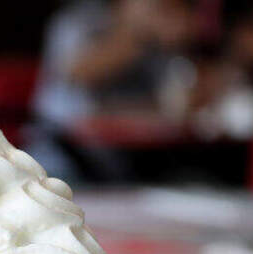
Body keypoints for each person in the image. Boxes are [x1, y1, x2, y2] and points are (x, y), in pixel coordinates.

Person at [29, 0, 197, 181]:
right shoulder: (80, 20)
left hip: (132, 159)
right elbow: (79, 73)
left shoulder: (159, 37)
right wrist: (137, 34)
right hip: (65, 156)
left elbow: (171, 102)